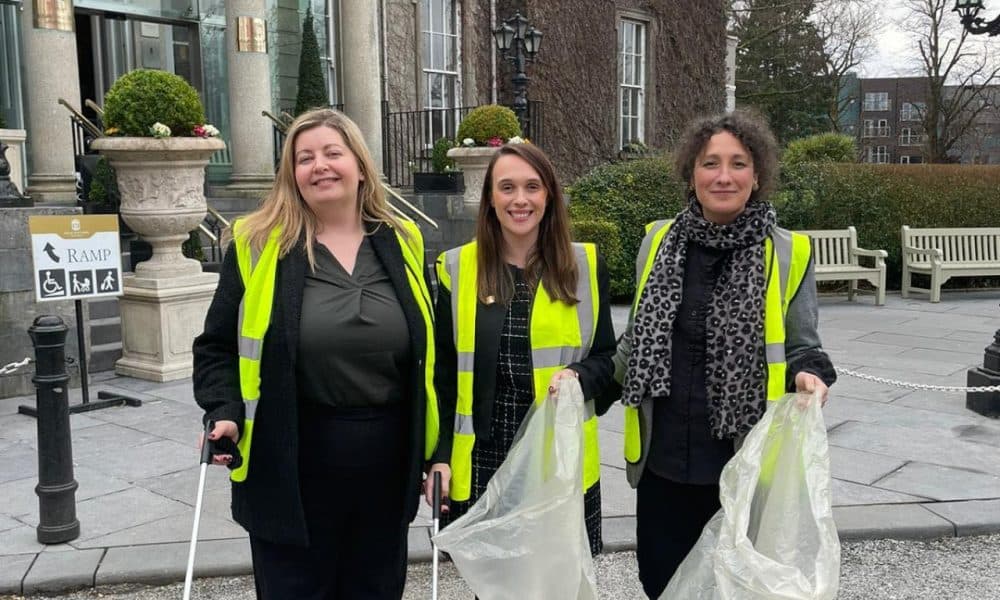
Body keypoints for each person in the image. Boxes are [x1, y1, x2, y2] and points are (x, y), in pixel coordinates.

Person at [192, 108, 439, 599]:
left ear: (361, 166)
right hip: (291, 462)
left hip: (387, 466)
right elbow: (216, 345)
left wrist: (437, 453)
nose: (319, 165)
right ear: (292, 175)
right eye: (304, 158)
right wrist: (224, 411)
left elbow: (432, 353)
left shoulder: (403, 239)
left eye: (332, 153)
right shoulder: (258, 244)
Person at [610, 111, 837, 598]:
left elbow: (802, 344)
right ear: (691, 173)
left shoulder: (789, 251)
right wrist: (583, 379)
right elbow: (634, 344)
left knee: (731, 587)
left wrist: (810, 376)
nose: (724, 175)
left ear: (757, 176)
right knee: (660, 580)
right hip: (662, 461)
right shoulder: (657, 241)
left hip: (740, 462)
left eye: (738, 163)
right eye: (710, 162)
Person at [425, 142, 616, 556]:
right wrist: (437, 458)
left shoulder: (584, 267)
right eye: (507, 187)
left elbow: (609, 361)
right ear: (490, 198)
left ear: (549, 195)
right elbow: (440, 378)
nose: (520, 199)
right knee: (491, 585)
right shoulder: (456, 269)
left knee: (556, 584)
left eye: (532, 187)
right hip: (483, 460)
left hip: (557, 461)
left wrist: (579, 377)